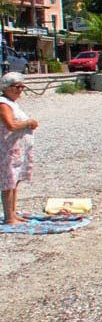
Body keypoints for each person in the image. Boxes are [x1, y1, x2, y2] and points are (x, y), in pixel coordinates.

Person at [0, 72, 37, 225]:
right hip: (7, 149)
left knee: (14, 180)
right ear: (7, 87)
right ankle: (9, 217)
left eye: (22, 86)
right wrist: (28, 123)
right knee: (8, 181)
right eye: (17, 87)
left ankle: (13, 213)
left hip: (15, 148)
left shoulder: (11, 103)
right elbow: (11, 125)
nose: (20, 89)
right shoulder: (3, 104)